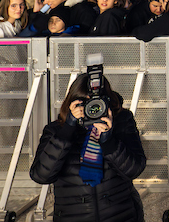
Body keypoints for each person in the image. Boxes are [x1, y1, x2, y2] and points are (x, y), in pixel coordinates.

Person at [30, 69, 147, 222]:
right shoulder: (56, 131)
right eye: (84, 103)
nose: (92, 109)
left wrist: (108, 141)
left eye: (96, 103)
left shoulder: (122, 121)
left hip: (121, 215)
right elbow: (41, 175)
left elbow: (135, 169)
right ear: (72, 102)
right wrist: (68, 130)